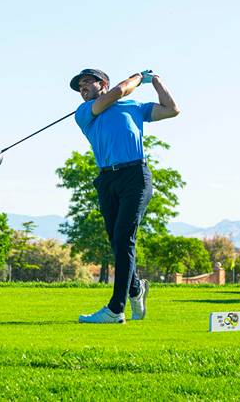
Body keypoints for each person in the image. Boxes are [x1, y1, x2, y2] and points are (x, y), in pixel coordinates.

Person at [71, 68, 180, 324]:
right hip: (107, 180)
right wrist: (139, 78)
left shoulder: (134, 106)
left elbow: (172, 109)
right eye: (79, 86)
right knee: (117, 241)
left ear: (102, 84)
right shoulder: (85, 113)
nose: (82, 88)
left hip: (135, 176)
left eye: (87, 82)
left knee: (124, 237)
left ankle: (116, 309)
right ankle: (135, 289)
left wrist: (157, 81)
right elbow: (119, 91)